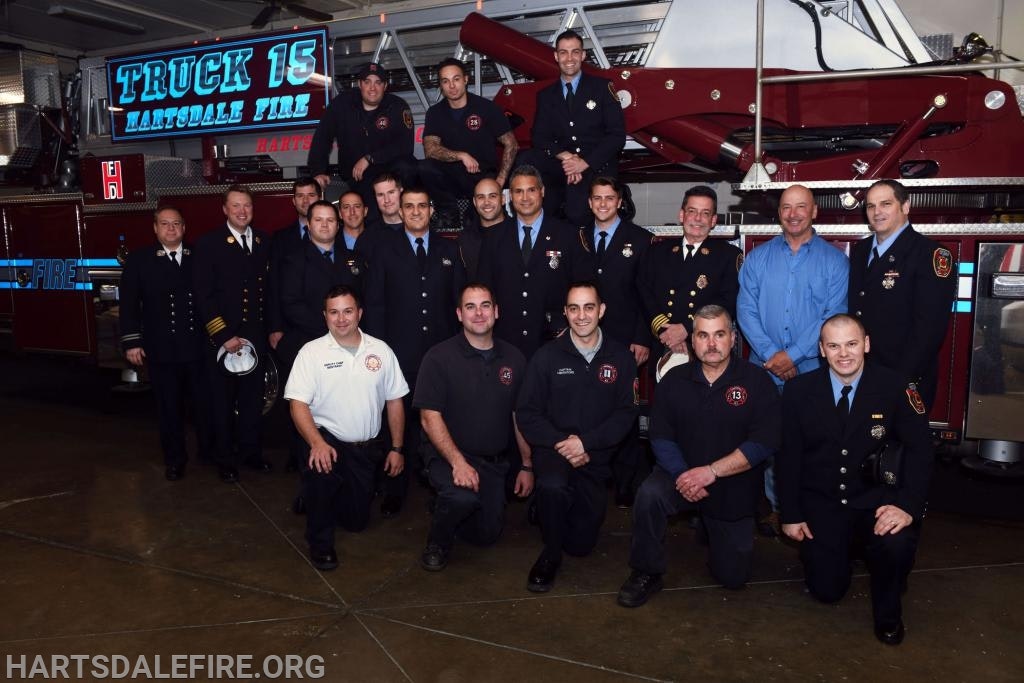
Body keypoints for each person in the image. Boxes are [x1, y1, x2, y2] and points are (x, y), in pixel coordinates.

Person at [777, 314, 933, 645]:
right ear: (821, 350)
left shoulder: (896, 387)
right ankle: (842, 554)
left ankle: (889, 611)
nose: (843, 353)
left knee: (895, 544)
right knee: (827, 591)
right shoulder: (797, 392)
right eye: (833, 345)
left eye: (851, 344)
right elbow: (788, 457)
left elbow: (921, 453)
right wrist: (790, 513)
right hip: (824, 503)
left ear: (866, 344)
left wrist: (906, 506)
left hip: (877, 502)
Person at [617, 305, 781, 608]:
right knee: (650, 494)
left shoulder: (757, 381)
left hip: (732, 481)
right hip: (680, 475)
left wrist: (712, 471)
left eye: (719, 334)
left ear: (733, 338)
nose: (712, 343)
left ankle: (710, 525)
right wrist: (683, 474)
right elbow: (660, 436)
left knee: (733, 578)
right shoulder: (673, 381)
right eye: (703, 336)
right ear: (693, 341)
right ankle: (646, 571)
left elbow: (764, 442)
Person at [737, 183, 849, 533]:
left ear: (814, 211)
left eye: (801, 206)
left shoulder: (835, 261)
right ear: (779, 212)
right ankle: (773, 507)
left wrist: (795, 356)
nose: (793, 213)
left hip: (813, 371)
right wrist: (773, 355)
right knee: (762, 440)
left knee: (811, 444)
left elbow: (833, 316)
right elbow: (745, 309)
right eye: (787, 207)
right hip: (763, 369)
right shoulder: (757, 258)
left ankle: (807, 507)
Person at [516, 282, 638, 592]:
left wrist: (586, 444)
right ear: (565, 313)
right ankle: (549, 554)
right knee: (554, 487)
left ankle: (544, 510)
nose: (581, 315)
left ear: (602, 310)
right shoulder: (546, 357)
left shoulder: (621, 358)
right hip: (553, 452)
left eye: (588, 307)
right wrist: (565, 444)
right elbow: (528, 413)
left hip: (595, 456)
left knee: (582, 546)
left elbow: (626, 414)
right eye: (573, 308)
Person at [284, 285, 408, 571]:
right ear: (324, 316)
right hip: (326, 440)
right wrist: (316, 442)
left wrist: (397, 448)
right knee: (321, 473)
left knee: (356, 522)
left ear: (360, 314)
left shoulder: (381, 350)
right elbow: (298, 405)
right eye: (334, 312)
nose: (341, 319)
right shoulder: (311, 353)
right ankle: (320, 542)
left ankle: (315, 497)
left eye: (348, 311)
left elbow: (395, 401)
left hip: (364, 449)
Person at [363, 187, 467, 516]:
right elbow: (376, 305)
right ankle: (396, 488)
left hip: (439, 358)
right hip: (398, 355)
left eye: (422, 205)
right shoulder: (384, 251)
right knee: (399, 425)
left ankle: (440, 487)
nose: (416, 211)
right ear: (401, 211)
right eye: (409, 206)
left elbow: (457, 305)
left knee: (440, 424)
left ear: (431, 209)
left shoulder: (449, 249)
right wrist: (380, 353)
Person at [413, 283, 532, 571]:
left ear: (496, 311)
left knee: (486, 536)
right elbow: (429, 417)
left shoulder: (514, 358)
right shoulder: (438, 357)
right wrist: (458, 463)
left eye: (485, 305)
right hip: (447, 456)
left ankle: (450, 508)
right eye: (470, 307)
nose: (478, 313)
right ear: (458, 314)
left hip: (493, 462)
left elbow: (520, 416)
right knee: (460, 496)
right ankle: (438, 541)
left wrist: (527, 465)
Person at [119, 206, 212, 481]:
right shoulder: (139, 260)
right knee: (169, 408)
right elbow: (129, 305)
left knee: (204, 406)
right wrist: (132, 341)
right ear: (155, 228)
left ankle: (209, 452)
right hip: (162, 348)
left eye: (176, 224)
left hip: (197, 346)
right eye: (165, 224)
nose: (171, 229)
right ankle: (175, 459)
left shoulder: (200, 256)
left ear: (184, 228)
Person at [848, 179, 956, 409]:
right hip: (862, 373)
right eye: (870, 206)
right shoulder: (861, 251)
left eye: (886, 204)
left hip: (903, 377)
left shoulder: (932, 254)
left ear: (905, 207)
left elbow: (929, 329)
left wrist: (898, 380)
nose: (877, 212)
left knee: (903, 443)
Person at [580, 176, 654, 506]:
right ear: (589, 202)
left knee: (625, 410)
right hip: (585, 337)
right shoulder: (577, 236)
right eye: (597, 198)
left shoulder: (641, 240)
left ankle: (625, 484)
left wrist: (641, 338)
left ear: (620, 201)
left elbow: (646, 297)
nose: (603, 204)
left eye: (610, 198)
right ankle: (594, 475)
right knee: (590, 406)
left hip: (625, 341)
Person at [193, 185, 274, 482]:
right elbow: (204, 295)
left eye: (247, 206)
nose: (242, 211)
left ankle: (251, 452)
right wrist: (223, 334)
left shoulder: (265, 240)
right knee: (222, 402)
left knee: (253, 400)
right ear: (224, 209)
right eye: (236, 206)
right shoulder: (209, 244)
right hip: (224, 339)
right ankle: (224, 457)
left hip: (256, 335)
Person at [477, 165, 595, 359]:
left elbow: (584, 287)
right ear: (510, 196)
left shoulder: (567, 235)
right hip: (505, 343)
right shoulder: (494, 237)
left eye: (531, 190)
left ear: (542, 192)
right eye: (518, 191)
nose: (525, 198)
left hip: (554, 341)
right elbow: (483, 290)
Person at [527, 30, 625, 226]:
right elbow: (539, 137)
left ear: (583, 55)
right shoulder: (546, 95)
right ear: (556, 56)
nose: (569, 58)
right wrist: (565, 156)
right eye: (563, 52)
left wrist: (585, 162)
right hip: (564, 166)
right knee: (526, 159)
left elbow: (617, 136)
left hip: (596, 165)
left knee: (577, 214)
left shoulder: (602, 88)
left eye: (575, 52)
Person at [638, 185, 742, 361]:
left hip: (705, 349)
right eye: (692, 211)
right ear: (681, 215)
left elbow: (727, 302)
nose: (698, 219)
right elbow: (644, 292)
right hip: (663, 342)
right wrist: (666, 331)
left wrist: (687, 329)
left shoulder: (728, 256)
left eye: (705, 213)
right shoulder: (657, 252)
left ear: (713, 220)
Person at [420, 58, 518, 225]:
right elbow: (430, 149)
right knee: (425, 167)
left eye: (456, 79)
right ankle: (448, 213)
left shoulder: (487, 108)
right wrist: (461, 155)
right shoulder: (435, 113)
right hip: (450, 177)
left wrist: (500, 181)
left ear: (465, 79)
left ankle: (472, 215)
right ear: (441, 85)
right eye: (446, 81)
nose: (451, 86)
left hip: (480, 176)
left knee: (473, 224)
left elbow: (511, 144)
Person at [306, 62, 417, 206]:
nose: (372, 88)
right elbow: (322, 137)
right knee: (371, 212)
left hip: (389, 169)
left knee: (408, 166)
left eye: (378, 83)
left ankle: (409, 207)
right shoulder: (341, 104)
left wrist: (370, 158)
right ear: (359, 84)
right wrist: (318, 171)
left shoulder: (397, 106)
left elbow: (406, 146)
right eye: (367, 82)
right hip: (357, 175)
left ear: (385, 86)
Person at [266, 178, 322, 355]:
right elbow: (273, 284)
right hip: (291, 328)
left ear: (320, 197)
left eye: (311, 195)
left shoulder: (334, 232)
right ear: (293, 200)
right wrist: (275, 326)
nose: (305, 201)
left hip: (327, 325)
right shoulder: (280, 239)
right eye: (300, 196)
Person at [458, 177, 510, 281]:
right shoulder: (464, 239)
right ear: (474, 202)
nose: (487, 202)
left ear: (503, 199)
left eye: (492, 196)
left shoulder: (519, 233)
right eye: (481, 197)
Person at [338, 190, 387, 263]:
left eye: (357, 206)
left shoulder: (382, 239)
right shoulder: (332, 243)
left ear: (365, 211)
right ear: (340, 213)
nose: (352, 212)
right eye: (346, 207)